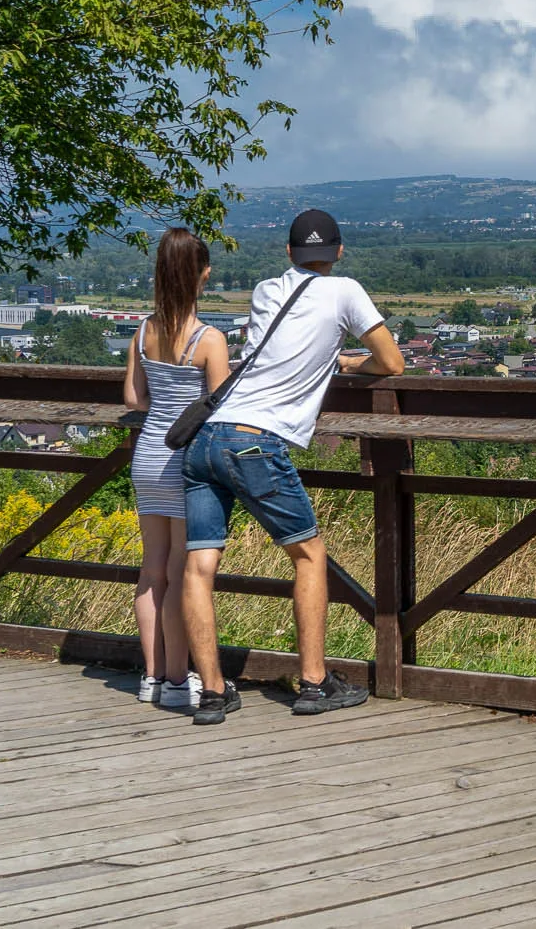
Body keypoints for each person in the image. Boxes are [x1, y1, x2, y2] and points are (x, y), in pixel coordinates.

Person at [180, 209, 404, 725]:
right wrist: (349, 362)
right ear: (340, 252)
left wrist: (331, 359)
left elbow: (279, 348)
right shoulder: (346, 290)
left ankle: (212, 692)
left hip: (206, 439)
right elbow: (392, 363)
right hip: (257, 443)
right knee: (308, 557)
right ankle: (314, 681)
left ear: (288, 254)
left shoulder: (265, 291)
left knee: (199, 564)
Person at [122, 228, 229, 709]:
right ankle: (175, 679)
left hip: (147, 455)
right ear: (203, 275)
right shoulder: (209, 340)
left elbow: (134, 398)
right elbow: (222, 406)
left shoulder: (143, 331)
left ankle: (149, 676)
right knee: (184, 574)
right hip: (186, 462)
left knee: (152, 571)